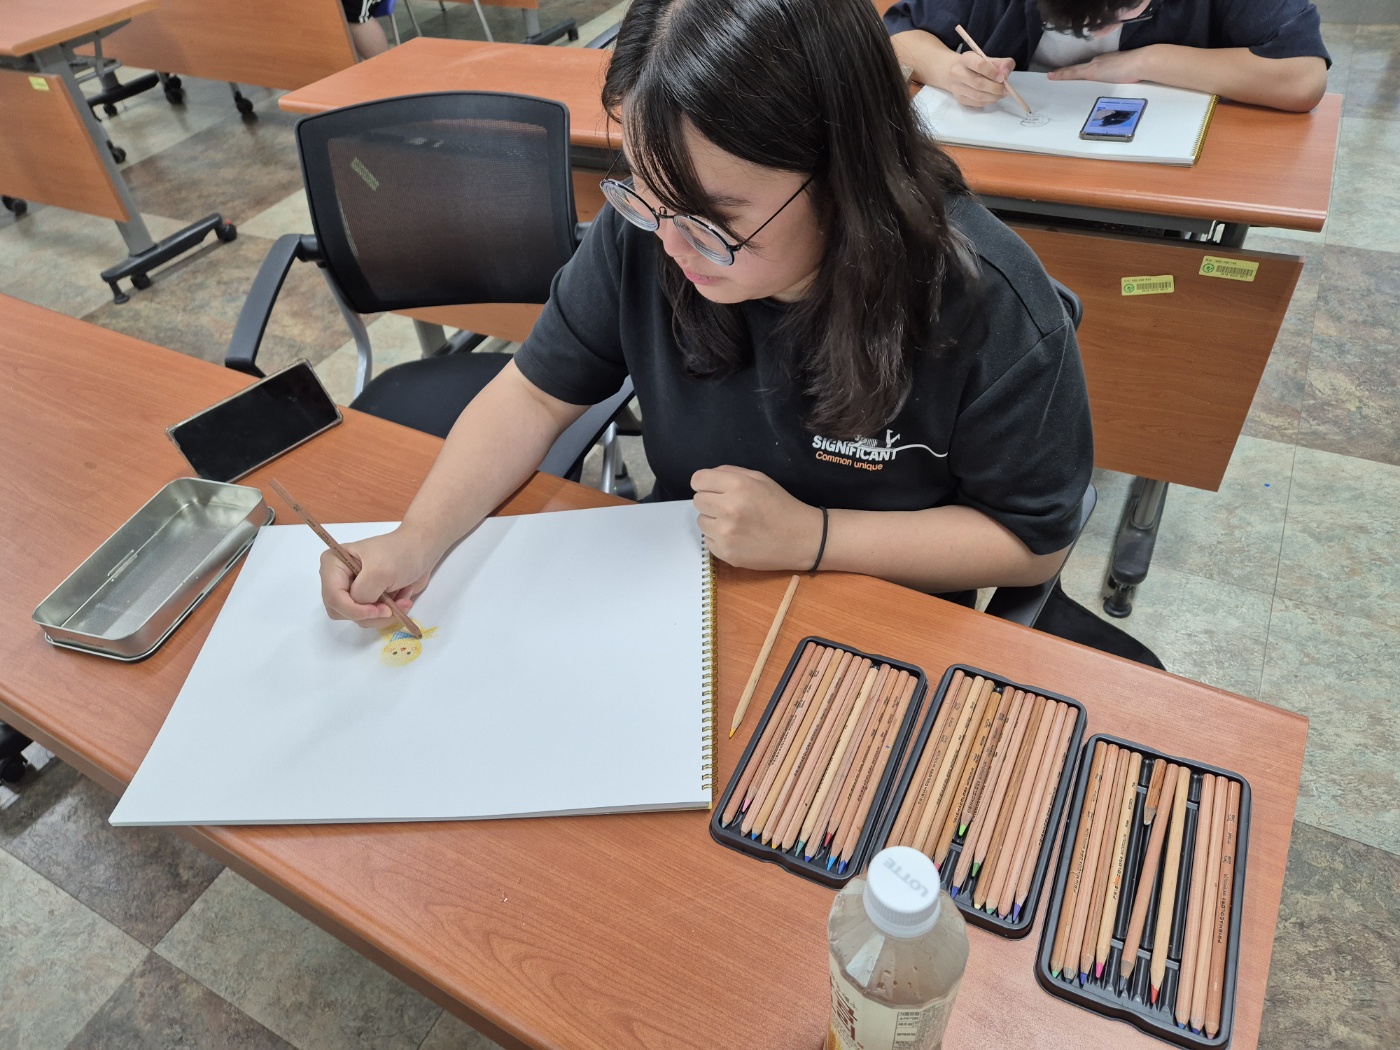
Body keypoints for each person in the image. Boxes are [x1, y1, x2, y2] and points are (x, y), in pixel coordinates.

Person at [319, 0, 1094, 629]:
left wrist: (814, 538)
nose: (672, 246)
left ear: (845, 173)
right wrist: (418, 538)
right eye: (645, 192)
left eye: (714, 221)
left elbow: (1031, 540)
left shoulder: (987, 302)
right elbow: (534, 393)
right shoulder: (651, 230)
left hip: (879, 625)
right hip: (682, 592)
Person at [886, 0, 1330, 113]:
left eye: (1126, 13)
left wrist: (1148, 61)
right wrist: (948, 69)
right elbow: (894, 32)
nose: (1099, 34)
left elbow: (1302, 76)